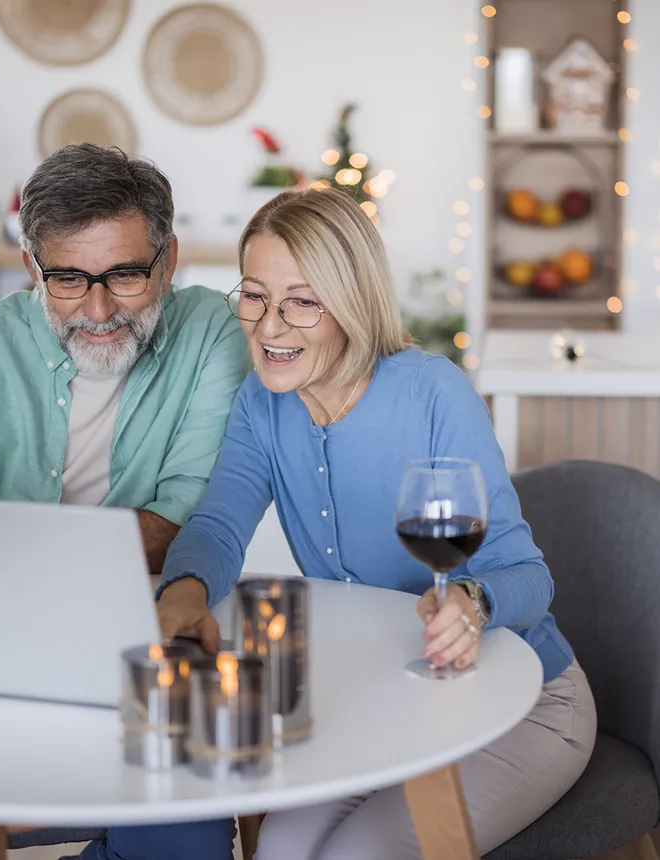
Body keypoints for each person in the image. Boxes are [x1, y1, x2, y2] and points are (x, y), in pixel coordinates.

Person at [156, 187, 597, 860]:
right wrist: (180, 594)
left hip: (524, 698)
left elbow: (527, 577)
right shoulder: (261, 405)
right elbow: (218, 525)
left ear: (351, 302)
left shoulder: (430, 392)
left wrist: (474, 604)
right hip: (394, 700)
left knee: (355, 855)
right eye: (253, 295)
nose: (270, 327)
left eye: (302, 301)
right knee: (280, 847)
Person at [0, 144, 248, 860]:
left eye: (125, 274)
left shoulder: (210, 332)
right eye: (68, 278)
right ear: (32, 267)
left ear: (168, 260)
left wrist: (4, 561)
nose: (98, 309)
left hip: (148, 639)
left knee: (185, 841)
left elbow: (191, 507)